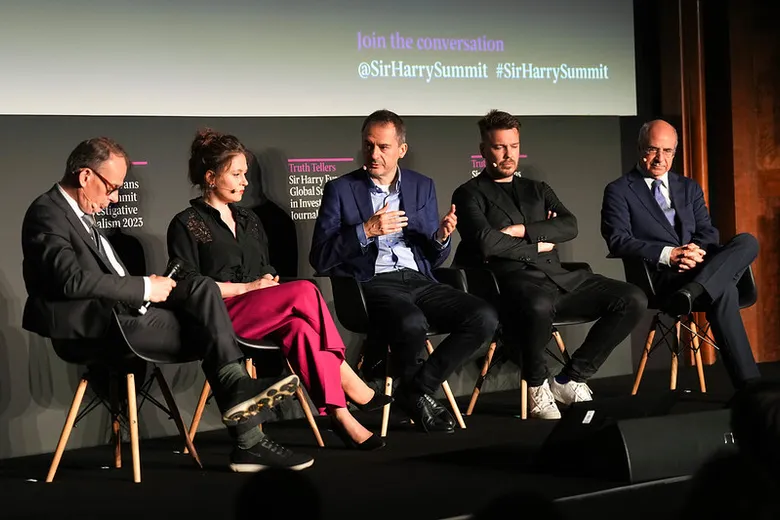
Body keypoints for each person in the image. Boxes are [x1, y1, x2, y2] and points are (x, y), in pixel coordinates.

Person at [21, 137, 314, 472]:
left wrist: (152, 288)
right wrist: (146, 288)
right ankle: (247, 435)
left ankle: (239, 397)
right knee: (210, 328)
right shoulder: (48, 213)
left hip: (126, 313)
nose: (115, 198)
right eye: (112, 188)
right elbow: (70, 281)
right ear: (86, 176)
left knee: (201, 288)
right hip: (97, 326)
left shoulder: (76, 212)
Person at [167, 129, 387, 451]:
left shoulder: (250, 220)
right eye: (237, 174)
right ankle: (347, 376)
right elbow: (188, 284)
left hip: (261, 310)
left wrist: (267, 281)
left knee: (301, 329)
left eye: (245, 174)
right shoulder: (187, 223)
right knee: (305, 291)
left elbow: (264, 267)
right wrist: (247, 287)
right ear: (211, 178)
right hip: (219, 316)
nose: (245, 182)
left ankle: (341, 417)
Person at [310, 109, 498, 433]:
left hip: (419, 279)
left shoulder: (422, 186)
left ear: (401, 149)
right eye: (368, 145)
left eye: (383, 147)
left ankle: (415, 390)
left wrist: (441, 238)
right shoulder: (340, 189)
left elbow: (433, 258)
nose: (374, 154)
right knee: (411, 322)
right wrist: (365, 230)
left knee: (484, 317)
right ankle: (418, 396)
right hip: (373, 283)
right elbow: (320, 257)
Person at [451, 110, 647, 419]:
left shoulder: (537, 189)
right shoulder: (468, 194)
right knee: (538, 305)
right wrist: (539, 243)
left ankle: (570, 378)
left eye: (514, 146)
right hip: (511, 283)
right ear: (483, 150)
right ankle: (536, 385)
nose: (508, 154)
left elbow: (569, 225)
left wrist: (521, 231)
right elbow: (487, 242)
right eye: (500, 147)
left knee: (632, 298)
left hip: (557, 277)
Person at [601, 119, 761, 390]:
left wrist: (693, 251)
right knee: (724, 290)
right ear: (640, 148)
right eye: (653, 149)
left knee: (748, 241)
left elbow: (707, 231)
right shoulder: (619, 190)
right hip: (662, 277)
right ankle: (750, 388)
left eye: (667, 151)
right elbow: (618, 241)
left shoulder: (688, 187)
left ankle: (693, 291)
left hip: (699, 268)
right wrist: (669, 254)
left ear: (675, 153)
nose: (660, 158)